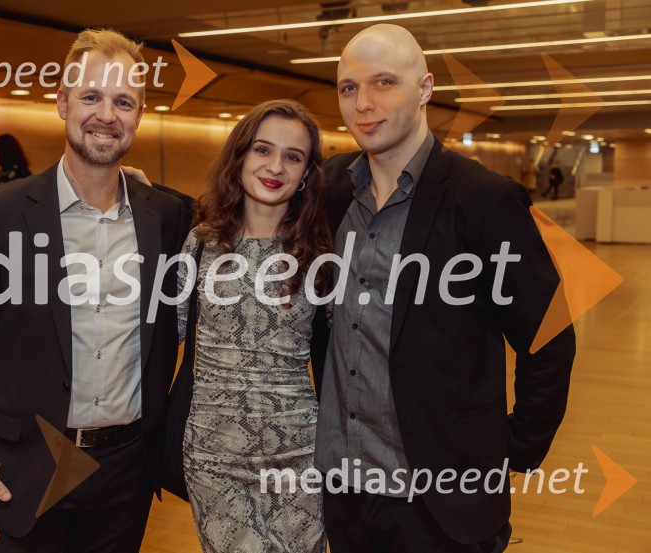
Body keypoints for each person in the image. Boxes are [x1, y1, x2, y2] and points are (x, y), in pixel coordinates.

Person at [312, 24, 576, 552]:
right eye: (348, 87)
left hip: (440, 500)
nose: (363, 103)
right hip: (343, 489)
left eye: (384, 82)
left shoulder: (484, 200)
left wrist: (511, 449)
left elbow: (548, 334)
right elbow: (244, 207)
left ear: (425, 88)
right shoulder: (331, 187)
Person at [0, 29, 192, 552]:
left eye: (123, 102)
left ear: (139, 116)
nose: (106, 114)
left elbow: (235, 223)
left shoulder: (166, 217)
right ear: (62, 103)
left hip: (124, 474)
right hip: (19, 473)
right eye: (91, 96)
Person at [178, 99, 332, 553]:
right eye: (263, 150)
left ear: (306, 173)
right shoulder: (200, 243)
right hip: (213, 457)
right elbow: (171, 331)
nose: (275, 166)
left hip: (299, 456)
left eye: (292, 156)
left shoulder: (319, 251)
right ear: (240, 155)